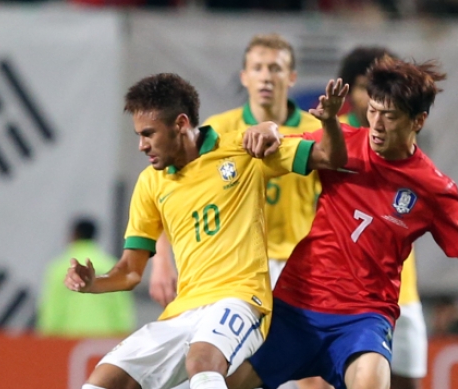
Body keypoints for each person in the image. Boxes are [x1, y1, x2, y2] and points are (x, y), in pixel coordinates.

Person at [226, 56, 458, 389]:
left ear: (418, 120)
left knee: (373, 381)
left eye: (389, 116)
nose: (376, 124)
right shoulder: (340, 146)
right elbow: (275, 146)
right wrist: (266, 128)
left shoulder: (434, 188)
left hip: (364, 317)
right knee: (225, 383)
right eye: (373, 110)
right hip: (298, 305)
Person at [64, 73, 349, 389]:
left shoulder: (243, 149)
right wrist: (94, 283)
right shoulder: (150, 183)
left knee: (202, 361)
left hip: (241, 298)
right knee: (102, 381)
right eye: (138, 135)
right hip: (183, 312)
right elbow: (130, 272)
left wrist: (329, 122)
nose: (142, 145)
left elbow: (330, 158)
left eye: (148, 134)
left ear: (181, 123)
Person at [149, 33, 324, 389]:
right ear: (243, 76)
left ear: (291, 78)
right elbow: (176, 194)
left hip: (297, 269)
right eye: (257, 68)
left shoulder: (315, 131)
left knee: (309, 379)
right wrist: (162, 259)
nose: (266, 76)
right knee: (216, 370)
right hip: (231, 271)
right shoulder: (220, 130)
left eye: (275, 68)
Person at [338, 46, 426, 389]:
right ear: (348, 92)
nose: (375, 96)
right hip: (346, 296)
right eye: (364, 86)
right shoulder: (331, 142)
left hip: (402, 294)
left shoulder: (405, 143)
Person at [37, 217, 136, 337]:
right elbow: (121, 311)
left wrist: (46, 339)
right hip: (104, 340)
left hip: (67, 341)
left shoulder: (59, 268)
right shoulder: (112, 266)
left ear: (74, 235)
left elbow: (51, 312)